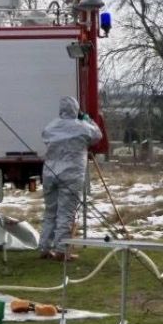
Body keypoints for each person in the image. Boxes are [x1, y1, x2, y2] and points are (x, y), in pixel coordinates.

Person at [38, 96, 102, 261]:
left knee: (50, 211)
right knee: (66, 213)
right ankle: (61, 250)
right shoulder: (82, 127)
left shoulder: (51, 126)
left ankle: (44, 247)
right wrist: (88, 120)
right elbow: (97, 136)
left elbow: (44, 136)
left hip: (50, 174)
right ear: (76, 109)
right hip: (71, 175)